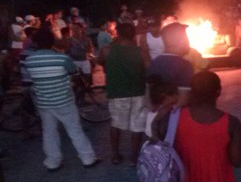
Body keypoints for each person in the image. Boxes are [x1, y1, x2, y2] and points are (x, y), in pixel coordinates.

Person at [24, 28, 100, 171]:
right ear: (52, 41)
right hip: (64, 101)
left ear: (35, 43)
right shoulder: (62, 58)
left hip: (44, 103)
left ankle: (53, 162)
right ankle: (88, 158)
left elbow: (32, 79)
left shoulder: (29, 60)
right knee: (75, 130)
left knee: (49, 132)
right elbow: (74, 71)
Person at [97, 22, 148, 166]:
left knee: (116, 124)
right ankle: (133, 158)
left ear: (117, 34)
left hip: (117, 93)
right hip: (138, 92)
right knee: (137, 126)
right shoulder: (141, 52)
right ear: (133, 35)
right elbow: (149, 68)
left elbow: (99, 61)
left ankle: (115, 155)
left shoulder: (107, 50)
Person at [147, 22, 194, 107]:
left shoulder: (155, 62)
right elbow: (183, 100)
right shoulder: (185, 66)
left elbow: (148, 97)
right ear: (180, 40)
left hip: (159, 116)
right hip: (177, 117)